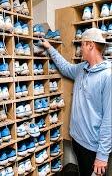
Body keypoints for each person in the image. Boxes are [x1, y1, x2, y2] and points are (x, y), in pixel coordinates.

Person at [41, 28, 111, 176]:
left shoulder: (108, 76)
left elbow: (109, 119)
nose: (80, 49)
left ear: (90, 45)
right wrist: (50, 48)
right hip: (78, 140)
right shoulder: (82, 68)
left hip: (93, 148)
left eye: (82, 45)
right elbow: (66, 68)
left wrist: (102, 155)